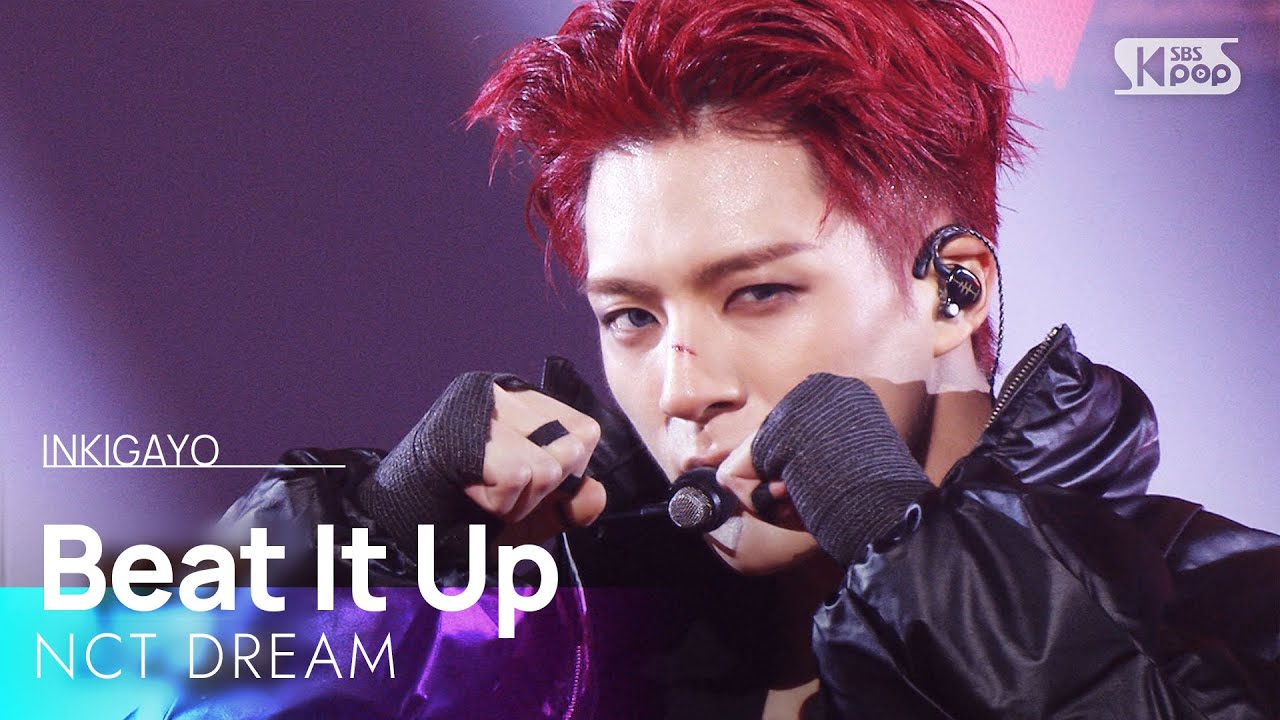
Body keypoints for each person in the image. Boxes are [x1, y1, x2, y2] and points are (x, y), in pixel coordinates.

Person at [208, 0, 1280, 718]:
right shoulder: (557, 638)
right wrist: (366, 551)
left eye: (759, 293)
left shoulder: (1233, 605)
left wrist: (921, 563)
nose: (682, 390)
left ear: (951, 292)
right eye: (631, 318)